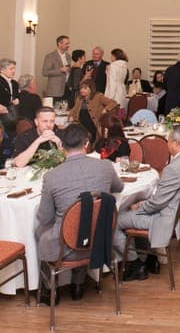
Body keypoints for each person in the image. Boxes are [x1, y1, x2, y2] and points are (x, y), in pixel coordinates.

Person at [35, 123, 123, 303]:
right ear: (87, 144)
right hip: (100, 240)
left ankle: (50, 290)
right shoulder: (105, 166)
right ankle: (78, 285)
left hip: (65, 248)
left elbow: (44, 217)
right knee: (88, 219)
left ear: (62, 147)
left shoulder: (52, 177)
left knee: (41, 231)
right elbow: (119, 187)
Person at [116, 124, 180, 281]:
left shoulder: (173, 169)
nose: (167, 143)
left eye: (168, 140)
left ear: (176, 143)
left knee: (114, 219)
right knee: (132, 210)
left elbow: (156, 204)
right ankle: (149, 258)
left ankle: (135, 263)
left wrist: (139, 207)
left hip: (164, 219)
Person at [41, 35, 72, 100]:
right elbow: (45, 72)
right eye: (66, 44)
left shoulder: (68, 56)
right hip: (55, 90)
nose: (68, 45)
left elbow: (68, 70)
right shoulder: (50, 56)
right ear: (59, 44)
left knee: (65, 108)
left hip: (66, 88)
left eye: (68, 43)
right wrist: (60, 70)